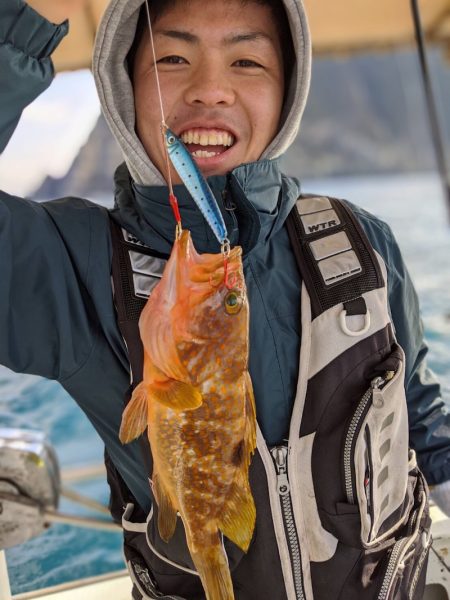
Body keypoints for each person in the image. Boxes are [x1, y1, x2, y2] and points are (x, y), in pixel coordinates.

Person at [1, 0, 450, 598]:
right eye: (172, 58)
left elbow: (417, 408)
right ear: (122, 83)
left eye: (246, 60)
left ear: (289, 90)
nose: (211, 89)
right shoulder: (73, 262)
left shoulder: (362, 240)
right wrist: (22, 25)